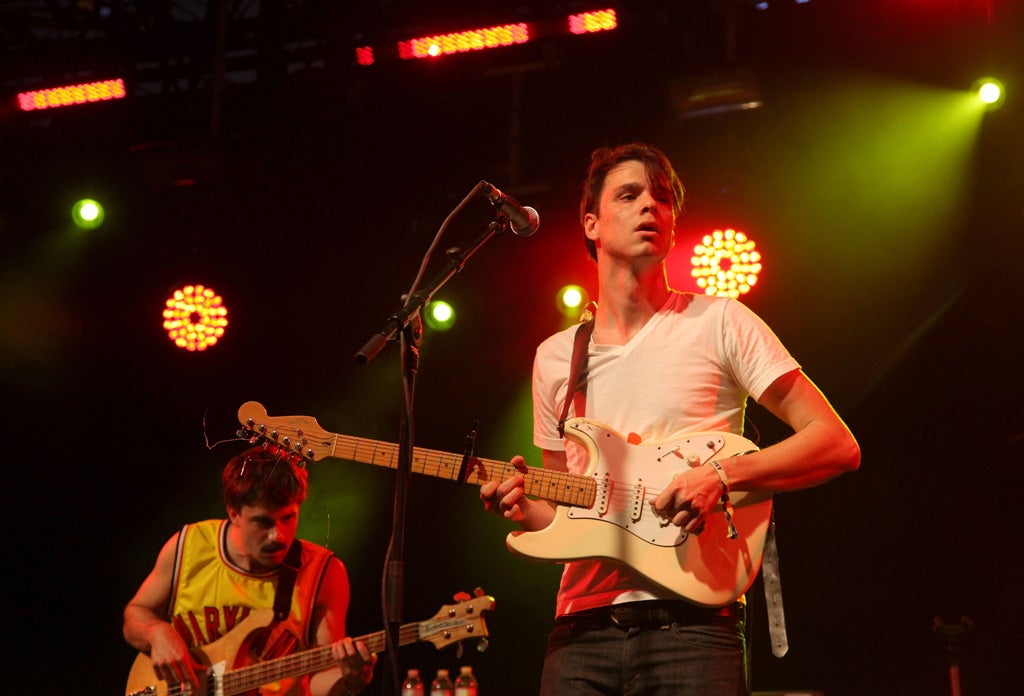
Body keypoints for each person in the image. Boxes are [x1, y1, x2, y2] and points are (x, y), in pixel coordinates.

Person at [479, 142, 861, 695]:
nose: (650, 208)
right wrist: (521, 508)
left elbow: (835, 443)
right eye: (630, 196)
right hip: (580, 630)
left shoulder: (720, 322)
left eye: (662, 199)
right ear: (592, 223)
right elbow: (563, 511)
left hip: (695, 626)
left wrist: (721, 477)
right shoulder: (556, 356)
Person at [124, 444, 377, 696]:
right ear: (234, 513)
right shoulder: (188, 545)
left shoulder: (323, 572)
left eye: (288, 518)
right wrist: (157, 633)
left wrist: (351, 679)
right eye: (263, 522)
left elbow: (318, 682)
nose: (278, 535)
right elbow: (135, 614)